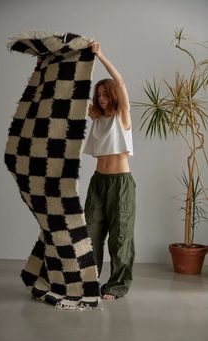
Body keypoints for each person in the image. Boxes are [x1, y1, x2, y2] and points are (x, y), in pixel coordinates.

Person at [83, 42, 136, 300]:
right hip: (98, 182)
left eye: (105, 94)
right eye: (99, 94)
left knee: (119, 236)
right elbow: (76, 95)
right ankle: (88, 282)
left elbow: (121, 82)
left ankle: (116, 286)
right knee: (90, 234)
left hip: (121, 183)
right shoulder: (96, 116)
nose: (102, 98)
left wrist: (100, 55)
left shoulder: (122, 117)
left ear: (112, 95)